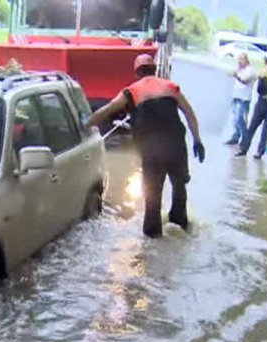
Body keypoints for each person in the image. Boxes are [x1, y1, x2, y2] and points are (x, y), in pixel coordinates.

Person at [86, 54, 205, 238]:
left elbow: (106, 110)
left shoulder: (131, 91)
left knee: (152, 195)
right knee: (179, 187)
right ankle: (181, 226)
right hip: (176, 147)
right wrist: (197, 140)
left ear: (136, 72)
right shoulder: (170, 87)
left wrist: (85, 125)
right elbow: (189, 113)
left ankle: (152, 236)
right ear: (154, 69)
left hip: (152, 151)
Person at [236, 56, 267, 158]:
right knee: (252, 126)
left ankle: (260, 151)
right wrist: (263, 78)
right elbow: (259, 90)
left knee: (265, 128)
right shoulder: (263, 74)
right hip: (261, 101)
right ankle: (244, 148)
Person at [224, 53, 257, 146]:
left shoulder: (250, 70)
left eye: (241, 59)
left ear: (246, 60)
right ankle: (236, 137)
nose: (239, 61)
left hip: (244, 98)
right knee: (235, 119)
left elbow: (244, 80)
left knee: (240, 118)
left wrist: (236, 75)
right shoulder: (240, 69)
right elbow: (230, 73)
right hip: (236, 96)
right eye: (238, 59)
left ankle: (245, 138)